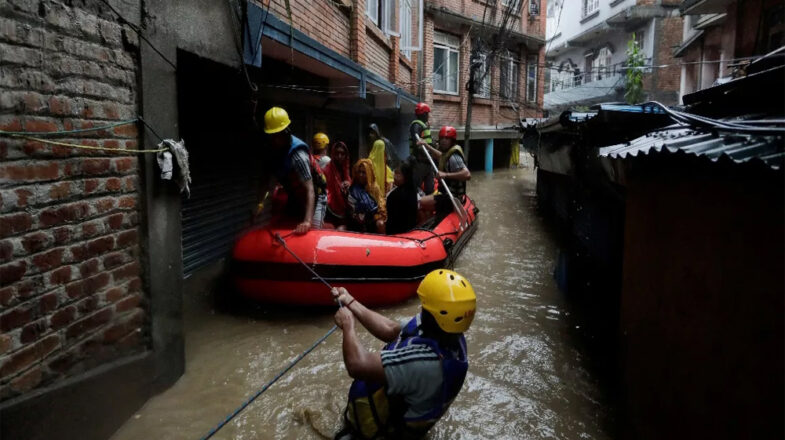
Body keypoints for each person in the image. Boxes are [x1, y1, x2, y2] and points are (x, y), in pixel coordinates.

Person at [332, 269, 476, 439]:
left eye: (425, 306)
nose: (422, 309)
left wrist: (348, 325)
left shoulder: (425, 363)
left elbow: (357, 365)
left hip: (381, 431)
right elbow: (390, 330)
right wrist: (351, 302)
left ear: (434, 315)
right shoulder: (447, 332)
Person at [262, 106, 327, 234]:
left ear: (286, 132)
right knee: (284, 226)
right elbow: (265, 181)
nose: (273, 140)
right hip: (295, 194)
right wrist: (259, 203)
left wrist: (307, 221)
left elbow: (310, 189)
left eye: (277, 136)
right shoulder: (273, 150)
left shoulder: (298, 156)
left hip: (316, 192)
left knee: (312, 232)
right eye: (271, 136)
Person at [420, 126, 470, 219]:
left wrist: (445, 174)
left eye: (447, 138)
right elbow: (441, 156)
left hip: (452, 198)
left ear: (452, 140)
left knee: (422, 202)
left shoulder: (454, 157)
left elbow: (467, 175)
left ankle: (426, 226)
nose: (443, 141)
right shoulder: (447, 154)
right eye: (442, 138)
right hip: (446, 193)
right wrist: (427, 146)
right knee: (426, 200)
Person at [347, 159, 386, 234]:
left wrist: (372, 217)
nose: (361, 175)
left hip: (372, 221)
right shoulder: (353, 188)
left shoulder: (375, 189)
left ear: (369, 174)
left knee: (380, 224)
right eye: (359, 172)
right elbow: (350, 209)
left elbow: (381, 208)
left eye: (364, 172)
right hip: (356, 222)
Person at [408, 102, 437, 196]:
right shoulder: (416, 125)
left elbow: (426, 140)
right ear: (423, 114)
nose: (428, 116)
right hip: (420, 162)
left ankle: (428, 205)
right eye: (427, 114)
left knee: (430, 188)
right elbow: (417, 143)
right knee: (415, 187)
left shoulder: (424, 125)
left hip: (428, 162)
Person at [323, 141, 352, 229]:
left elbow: (350, 183)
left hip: (344, 210)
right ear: (333, 154)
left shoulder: (346, 169)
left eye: (342, 154)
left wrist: (349, 184)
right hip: (329, 210)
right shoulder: (327, 170)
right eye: (337, 153)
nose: (339, 156)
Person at [385, 159, 419, 235]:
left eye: (398, 173)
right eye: (395, 172)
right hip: (409, 232)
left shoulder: (397, 195)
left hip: (397, 234)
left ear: (406, 176)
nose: (394, 176)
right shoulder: (411, 190)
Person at [367, 123, 396, 195]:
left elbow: (390, 158)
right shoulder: (372, 143)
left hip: (385, 169)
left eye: (373, 133)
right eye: (370, 133)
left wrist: (389, 171)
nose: (371, 135)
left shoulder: (382, 143)